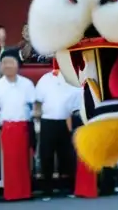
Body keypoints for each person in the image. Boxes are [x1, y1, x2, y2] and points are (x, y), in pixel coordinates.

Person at [0, 51, 35, 201]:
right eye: (4, 63)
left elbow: (33, 105)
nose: (7, 66)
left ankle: (25, 192)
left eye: (11, 62)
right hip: (7, 127)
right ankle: (12, 193)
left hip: (23, 126)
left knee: (24, 161)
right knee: (10, 162)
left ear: (18, 65)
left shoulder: (27, 84)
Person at [34, 62, 82, 196]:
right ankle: (47, 189)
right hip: (48, 121)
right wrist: (37, 118)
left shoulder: (73, 79)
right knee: (46, 155)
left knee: (67, 155)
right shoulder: (45, 78)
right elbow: (38, 100)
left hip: (66, 120)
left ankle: (67, 187)